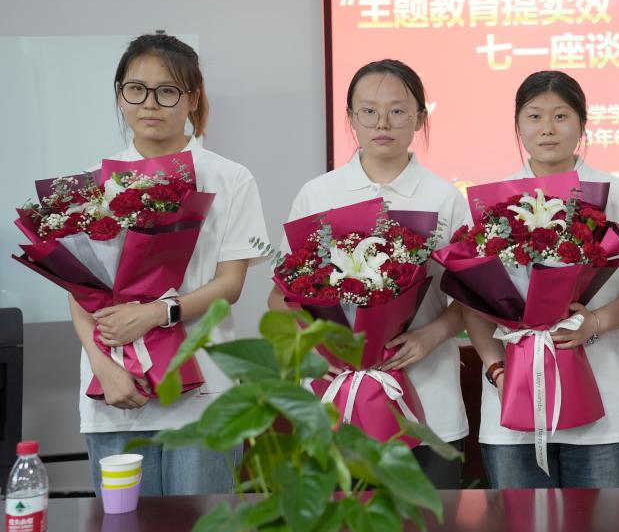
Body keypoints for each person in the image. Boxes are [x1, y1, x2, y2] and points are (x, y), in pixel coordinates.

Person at [70, 33, 269, 495]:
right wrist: (102, 366)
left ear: (192, 98)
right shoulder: (94, 182)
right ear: (120, 94)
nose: (149, 103)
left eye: (167, 91)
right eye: (136, 89)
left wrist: (158, 312)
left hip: (203, 391)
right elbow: (78, 293)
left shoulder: (229, 178)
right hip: (115, 391)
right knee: (122, 523)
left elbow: (230, 285)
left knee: (199, 522)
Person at [267, 59, 469, 488]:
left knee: (430, 517)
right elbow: (280, 298)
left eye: (397, 110)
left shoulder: (444, 198)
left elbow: (469, 301)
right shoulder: (318, 194)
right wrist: (316, 349)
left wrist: (429, 336)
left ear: (419, 118)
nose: (383, 122)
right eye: (369, 111)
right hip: (335, 397)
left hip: (429, 396)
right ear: (351, 118)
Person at [464, 70, 619, 489]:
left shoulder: (614, 193)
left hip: (602, 403)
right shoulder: (492, 202)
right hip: (512, 403)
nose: (547, 128)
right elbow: (471, 301)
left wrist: (595, 322)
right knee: (518, 519)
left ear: (582, 124)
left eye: (561, 116)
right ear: (518, 124)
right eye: (534, 116)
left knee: (600, 519)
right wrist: (497, 369)